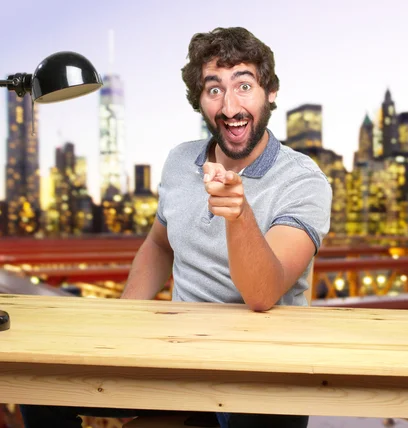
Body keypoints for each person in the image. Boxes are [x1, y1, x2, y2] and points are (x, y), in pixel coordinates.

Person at [19, 26, 332, 428]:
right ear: (200, 101)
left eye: (244, 85)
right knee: (37, 384)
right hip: (178, 358)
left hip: (262, 375)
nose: (230, 105)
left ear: (270, 92)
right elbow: (159, 245)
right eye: (214, 89)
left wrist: (240, 217)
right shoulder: (180, 161)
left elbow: (263, 293)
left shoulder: (303, 180)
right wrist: (122, 327)